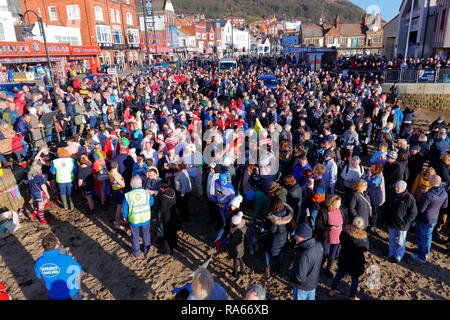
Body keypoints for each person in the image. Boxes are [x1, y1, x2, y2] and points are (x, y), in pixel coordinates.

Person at [328, 217, 369, 300]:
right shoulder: (363, 238)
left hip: (344, 257)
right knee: (355, 279)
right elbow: (366, 248)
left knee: (339, 274)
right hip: (356, 261)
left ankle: (332, 290)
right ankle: (352, 296)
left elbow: (341, 240)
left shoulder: (345, 232)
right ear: (362, 227)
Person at [34, 232, 82, 300]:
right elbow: (78, 270)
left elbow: (39, 276)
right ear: (56, 246)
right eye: (58, 241)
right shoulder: (66, 258)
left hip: (53, 295)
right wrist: (72, 261)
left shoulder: (39, 261)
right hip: (70, 293)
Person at [411, 175, 448, 263]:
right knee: (428, 236)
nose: (429, 181)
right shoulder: (444, 192)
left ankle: (421, 257)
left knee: (421, 237)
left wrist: (422, 196)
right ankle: (426, 253)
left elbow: (421, 209)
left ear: (433, 182)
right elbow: (444, 206)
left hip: (425, 218)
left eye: (430, 180)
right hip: (434, 218)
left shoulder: (429, 194)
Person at [386, 180, 418, 263]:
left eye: (398, 188)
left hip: (402, 225)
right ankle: (391, 253)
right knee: (391, 239)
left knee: (401, 242)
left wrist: (406, 222)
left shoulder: (409, 198)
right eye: (395, 187)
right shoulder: (391, 194)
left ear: (404, 189)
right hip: (392, 222)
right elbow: (387, 206)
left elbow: (413, 212)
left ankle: (398, 256)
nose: (396, 188)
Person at [314, 195, 346, 279]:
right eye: (338, 203)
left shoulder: (341, 209)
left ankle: (328, 269)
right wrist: (330, 227)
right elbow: (318, 225)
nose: (340, 204)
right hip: (327, 238)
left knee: (332, 255)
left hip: (338, 238)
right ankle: (318, 268)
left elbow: (344, 221)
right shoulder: (323, 211)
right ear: (333, 203)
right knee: (324, 254)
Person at [122, 176, 154, 258]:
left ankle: (136, 252)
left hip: (134, 219)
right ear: (141, 184)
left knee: (135, 236)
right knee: (146, 234)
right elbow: (151, 203)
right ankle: (147, 249)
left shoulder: (128, 195)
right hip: (145, 218)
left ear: (131, 185)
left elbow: (125, 208)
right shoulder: (146, 193)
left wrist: (124, 216)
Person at [290, 223, 323, 300]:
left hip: (302, 288)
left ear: (303, 237)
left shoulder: (304, 255)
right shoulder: (319, 245)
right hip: (313, 283)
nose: (294, 237)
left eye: (296, 235)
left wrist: (293, 270)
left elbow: (300, 278)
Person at [263, 198, 293, 277]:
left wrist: (267, 225)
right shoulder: (287, 213)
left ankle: (267, 268)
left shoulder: (275, 219)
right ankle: (280, 269)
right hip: (284, 238)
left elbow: (272, 230)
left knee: (267, 251)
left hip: (274, 240)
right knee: (281, 252)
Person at [156, 180, 181, 255]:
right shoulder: (172, 191)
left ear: (161, 188)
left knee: (167, 234)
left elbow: (163, 209)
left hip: (167, 216)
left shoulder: (164, 197)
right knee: (173, 232)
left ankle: (168, 251)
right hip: (174, 214)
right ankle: (175, 245)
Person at [366, 162, 386, 230]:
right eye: (371, 166)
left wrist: (368, 176)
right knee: (369, 210)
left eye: (372, 167)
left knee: (374, 212)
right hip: (370, 195)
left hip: (376, 197)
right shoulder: (373, 174)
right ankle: (369, 222)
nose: (371, 168)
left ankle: (372, 225)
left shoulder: (379, 177)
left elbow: (371, 184)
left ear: (377, 168)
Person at [227, 211, 247, 277]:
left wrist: (229, 236)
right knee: (241, 259)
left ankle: (235, 273)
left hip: (235, 249)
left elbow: (232, 242)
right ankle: (242, 271)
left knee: (235, 261)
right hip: (241, 248)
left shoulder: (236, 232)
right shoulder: (242, 226)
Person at [109, 160, 126, 230]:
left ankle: (118, 220)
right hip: (118, 191)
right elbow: (123, 184)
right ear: (117, 166)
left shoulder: (111, 172)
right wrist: (123, 181)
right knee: (119, 208)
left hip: (115, 190)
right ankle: (117, 224)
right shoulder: (115, 174)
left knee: (119, 207)